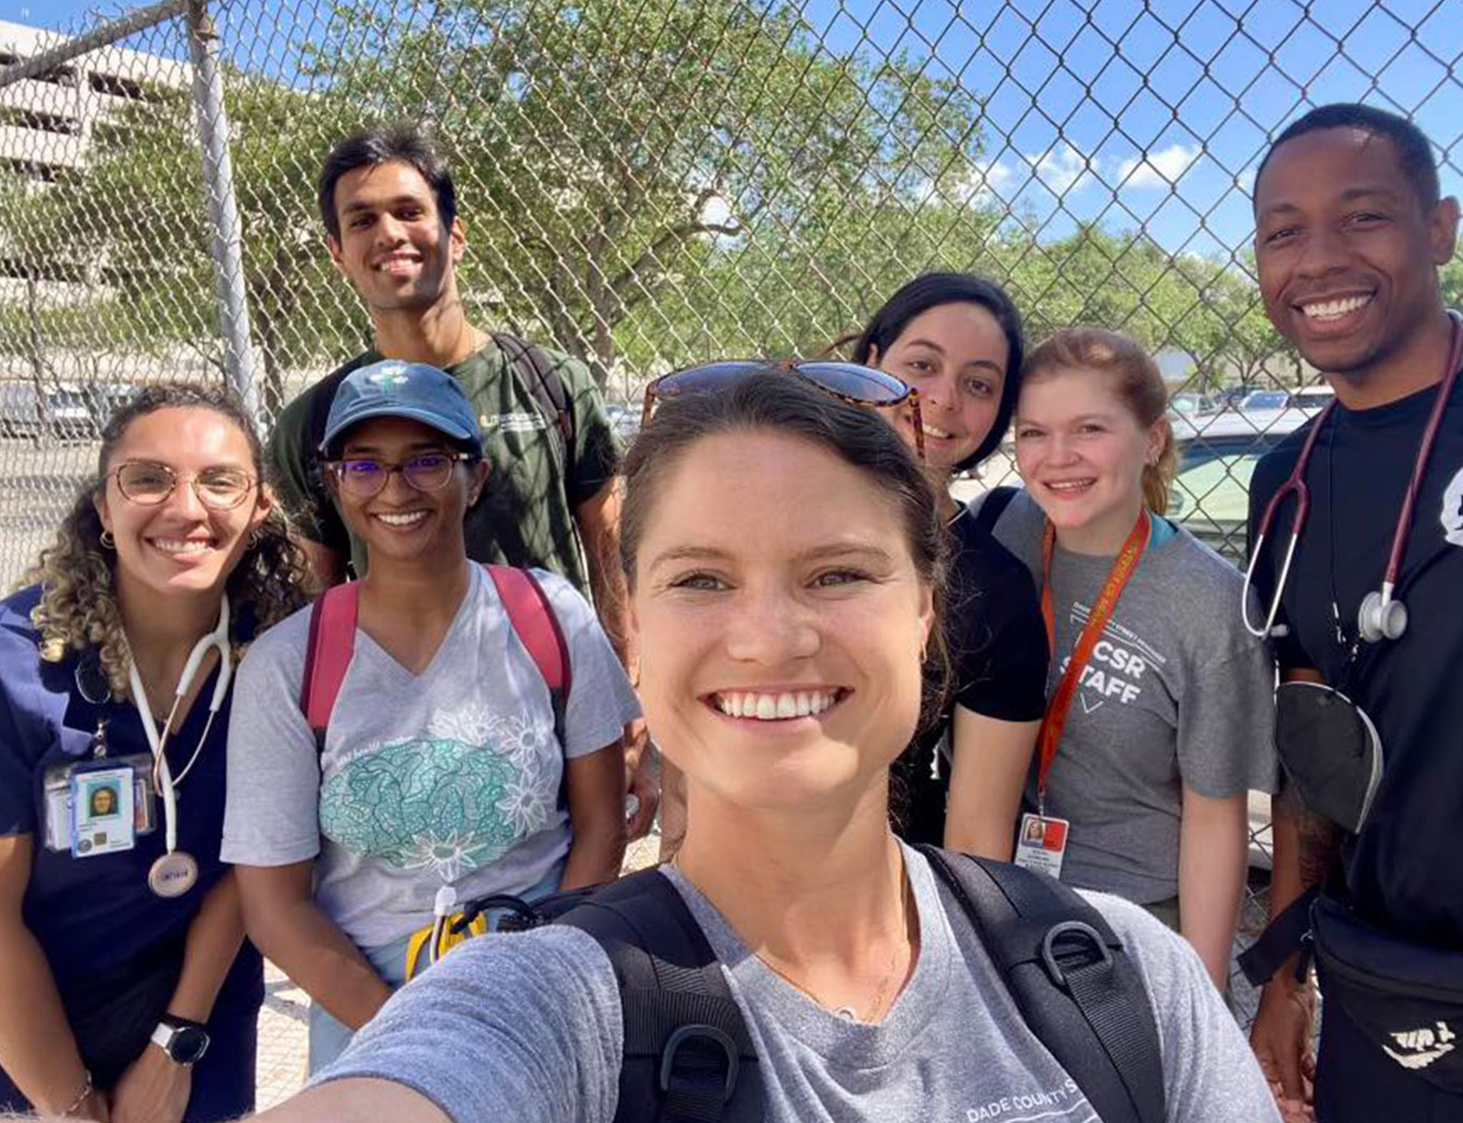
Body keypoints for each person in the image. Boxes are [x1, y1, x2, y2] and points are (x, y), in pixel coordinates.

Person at [241, 368, 1277, 1123]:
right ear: (632, 634)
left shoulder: (1126, 980)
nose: (768, 638)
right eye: (700, 578)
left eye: (835, 574)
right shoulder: (538, 1004)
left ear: (925, 610)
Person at [1243, 103, 1463, 1122]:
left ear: (1441, 228)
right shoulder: (1284, 480)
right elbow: (1312, 737)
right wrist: (1284, 967)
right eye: (1283, 230)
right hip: (1392, 998)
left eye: (1364, 216)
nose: (1318, 258)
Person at [224, 360, 637, 1074]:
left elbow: (601, 826)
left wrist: (534, 988)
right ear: (333, 482)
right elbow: (275, 907)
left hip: (535, 980)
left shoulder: (547, 618)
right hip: (368, 1005)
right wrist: (422, 1033)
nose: (395, 488)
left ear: (474, 477)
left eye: (426, 460)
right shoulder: (291, 664)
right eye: (365, 465)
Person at [267, 123, 658, 840]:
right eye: (362, 220)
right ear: (338, 254)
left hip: (551, 718)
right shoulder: (314, 421)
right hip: (407, 740)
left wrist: (626, 692)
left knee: (567, 907)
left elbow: (610, 546)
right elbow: (313, 594)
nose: (389, 232)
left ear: (455, 234)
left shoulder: (551, 385)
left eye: (409, 211)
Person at [0, 383, 307, 1120]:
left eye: (221, 481)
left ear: (260, 509)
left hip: (198, 1011)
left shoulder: (277, 657)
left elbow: (252, 868)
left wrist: (174, 1043)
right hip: (15, 1029)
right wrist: (72, 1105)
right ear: (103, 509)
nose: (185, 508)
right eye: (148, 478)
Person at [976, 328, 1277, 990]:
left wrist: (1203, 990)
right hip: (1012, 893)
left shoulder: (1209, 603)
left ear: (1153, 440)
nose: (1058, 458)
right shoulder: (1012, 530)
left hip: (1137, 918)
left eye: (1089, 429)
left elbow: (1214, 817)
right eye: (1033, 433)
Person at [847, 272, 1050, 858]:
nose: (944, 399)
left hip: (880, 884)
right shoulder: (764, 502)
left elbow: (977, 841)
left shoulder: (995, 589)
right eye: (922, 365)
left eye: (979, 384)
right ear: (873, 359)